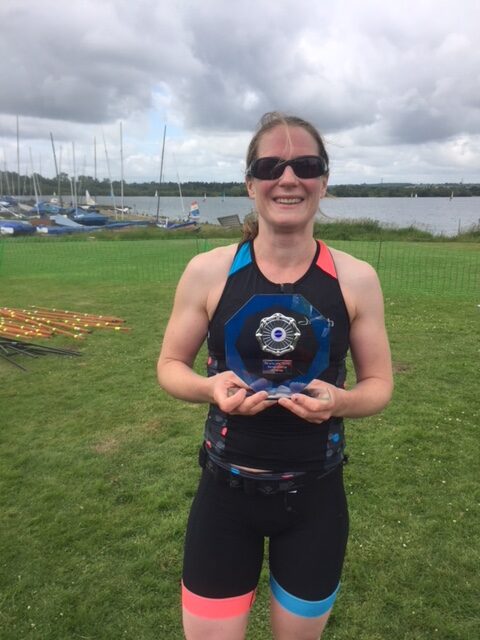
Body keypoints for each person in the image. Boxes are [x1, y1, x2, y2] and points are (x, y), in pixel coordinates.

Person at [157, 111, 393, 640]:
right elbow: (169, 366)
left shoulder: (356, 278)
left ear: (323, 181)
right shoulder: (209, 271)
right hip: (224, 496)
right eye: (271, 167)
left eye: (305, 165)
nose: (288, 178)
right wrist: (208, 388)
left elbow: (379, 385)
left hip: (316, 499)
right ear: (251, 183)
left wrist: (340, 402)